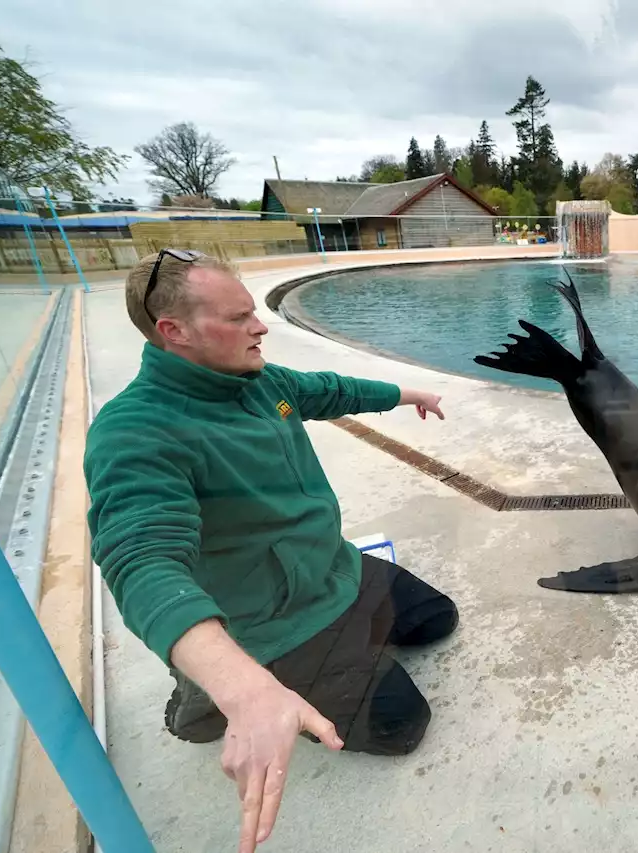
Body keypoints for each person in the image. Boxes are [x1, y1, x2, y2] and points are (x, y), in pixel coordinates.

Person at [84, 249, 456, 853]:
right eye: (239, 318)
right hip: (269, 624)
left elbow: (328, 390)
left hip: (332, 573)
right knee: (401, 725)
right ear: (173, 332)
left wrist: (407, 391)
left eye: (254, 312)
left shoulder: (259, 380)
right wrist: (246, 690)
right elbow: (140, 560)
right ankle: (204, 697)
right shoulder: (135, 433)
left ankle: (334, 656)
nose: (260, 326)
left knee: (437, 619)